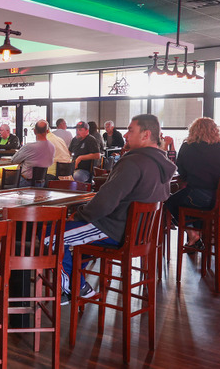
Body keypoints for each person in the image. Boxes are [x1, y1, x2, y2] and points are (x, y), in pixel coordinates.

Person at [61, 114, 176, 304]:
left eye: (130, 130)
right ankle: (76, 281)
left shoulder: (133, 162)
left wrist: (79, 214)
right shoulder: (161, 165)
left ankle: (75, 288)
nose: (125, 135)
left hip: (114, 230)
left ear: (146, 134)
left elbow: (105, 202)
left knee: (50, 235)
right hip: (140, 235)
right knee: (77, 244)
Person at [165, 117, 220, 251]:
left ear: (193, 131)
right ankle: (200, 235)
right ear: (215, 131)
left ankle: (193, 234)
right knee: (187, 200)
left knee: (170, 202)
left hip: (201, 198)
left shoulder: (188, 147)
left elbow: (182, 172)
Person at [0, 120, 54, 189]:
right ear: (47, 131)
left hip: (25, 182)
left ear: (34, 131)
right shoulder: (51, 147)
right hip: (41, 183)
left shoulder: (29, 146)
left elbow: (14, 160)